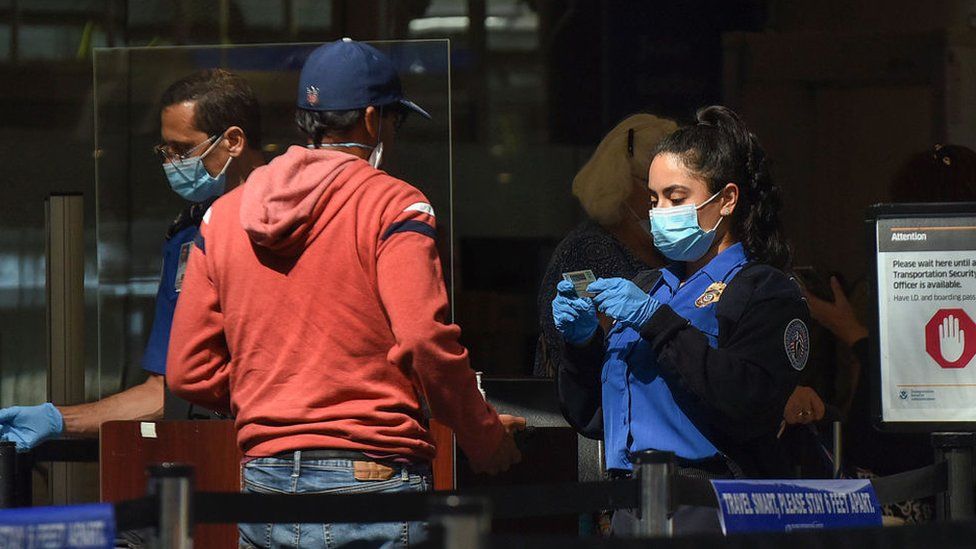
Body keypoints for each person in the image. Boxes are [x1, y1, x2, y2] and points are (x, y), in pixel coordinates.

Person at [166, 39, 524, 548]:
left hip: (264, 482)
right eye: (395, 123)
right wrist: (483, 436)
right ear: (375, 121)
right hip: (373, 477)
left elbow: (187, 369)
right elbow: (424, 340)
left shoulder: (222, 217)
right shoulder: (395, 205)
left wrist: (276, 394)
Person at [553, 106, 808, 533]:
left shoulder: (764, 290)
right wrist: (581, 348)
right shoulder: (650, 284)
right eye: (653, 200)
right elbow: (593, 417)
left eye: (675, 198)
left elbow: (747, 401)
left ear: (726, 199)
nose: (660, 212)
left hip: (709, 504)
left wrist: (657, 323)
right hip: (629, 503)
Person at [0, 69, 265, 450]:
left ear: (234, 141)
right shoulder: (188, 238)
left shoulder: (300, 218)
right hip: (225, 452)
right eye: (165, 150)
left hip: (309, 447)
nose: (172, 162)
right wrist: (59, 419)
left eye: (183, 149)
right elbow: (164, 391)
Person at [534, 114, 676, 378]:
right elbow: (583, 353)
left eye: (676, 191)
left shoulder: (671, 249)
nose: (663, 200)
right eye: (651, 185)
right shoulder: (588, 249)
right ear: (620, 181)